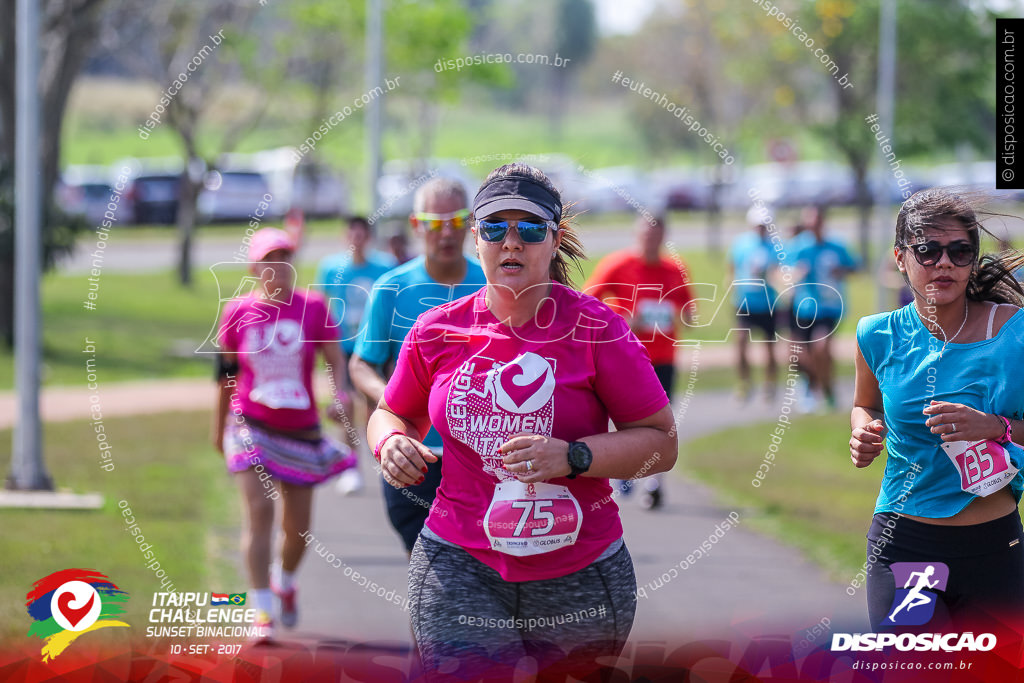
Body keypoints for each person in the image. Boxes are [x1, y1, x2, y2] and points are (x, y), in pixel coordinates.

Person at [368, 163, 677, 679]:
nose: (511, 242)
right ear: (476, 237)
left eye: (530, 229)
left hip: (580, 567)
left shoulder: (598, 328)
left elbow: (661, 444)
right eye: (495, 228)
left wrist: (574, 456)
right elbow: (390, 412)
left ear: (553, 241)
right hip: (459, 560)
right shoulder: (436, 329)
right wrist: (390, 442)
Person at [850, 188, 1024, 629]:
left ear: (971, 259)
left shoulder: (1014, 332)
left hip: (993, 548)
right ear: (900, 257)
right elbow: (864, 405)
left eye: (959, 251)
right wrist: (864, 431)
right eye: (927, 251)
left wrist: (995, 426)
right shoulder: (876, 334)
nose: (944, 263)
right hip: (903, 542)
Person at [212, 227, 356, 641]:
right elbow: (225, 375)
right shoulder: (237, 312)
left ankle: (285, 582)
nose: (278, 267)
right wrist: (216, 428)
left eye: (285, 259)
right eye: (269, 260)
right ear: (255, 268)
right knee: (259, 515)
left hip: (301, 431)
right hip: (249, 426)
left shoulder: (312, 308)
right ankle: (261, 609)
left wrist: (340, 393)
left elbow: (333, 358)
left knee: (298, 529)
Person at [349, 178, 486, 556]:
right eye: (433, 222)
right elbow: (361, 365)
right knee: (427, 573)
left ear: (471, 224)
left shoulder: (493, 284)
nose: (445, 233)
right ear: (415, 225)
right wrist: (395, 400)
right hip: (415, 455)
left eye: (456, 222)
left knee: (482, 572)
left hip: (481, 457)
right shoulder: (391, 289)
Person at [585, 214, 695, 510]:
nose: (651, 240)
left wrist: (676, 315)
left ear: (663, 237)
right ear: (637, 234)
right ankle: (624, 471)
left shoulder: (674, 270)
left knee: (660, 422)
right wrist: (622, 320)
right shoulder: (618, 264)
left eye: (657, 235)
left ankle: (654, 483)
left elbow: (691, 312)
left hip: (663, 357)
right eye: (646, 234)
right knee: (622, 417)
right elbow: (587, 302)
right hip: (626, 358)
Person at [315, 215, 396, 494]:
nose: (356, 239)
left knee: (376, 405)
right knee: (345, 405)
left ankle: (383, 460)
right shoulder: (330, 268)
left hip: (375, 345)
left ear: (368, 237)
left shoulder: (384, 267)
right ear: (345, 236)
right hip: (342, 348)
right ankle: (351, 467)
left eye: (361, 234)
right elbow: (322, 307)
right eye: (352, 234)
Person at [789, 205, 857, 411]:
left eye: (816, 222)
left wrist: (841, 270)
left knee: (822, 348)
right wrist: (795, 274)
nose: (813, 226)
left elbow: (855, 266)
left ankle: (827, 392)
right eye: (809, 222)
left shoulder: (836, 246)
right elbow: (780, 273)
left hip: (829, 307)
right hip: (803, 308)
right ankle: (812, 385)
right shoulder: (798, 247)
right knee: (800, 355)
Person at [728, 205, 781, 402]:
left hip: (768, 304)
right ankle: (744, 382)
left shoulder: (776, 247)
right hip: (744, 302)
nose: (760, 229)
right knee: (741, 342)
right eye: (757, 225)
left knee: (769, 347)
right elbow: (732, 267)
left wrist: (771, 276)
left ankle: (770, 385)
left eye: (764, 225)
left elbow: (780, 274)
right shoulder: (741, 244)